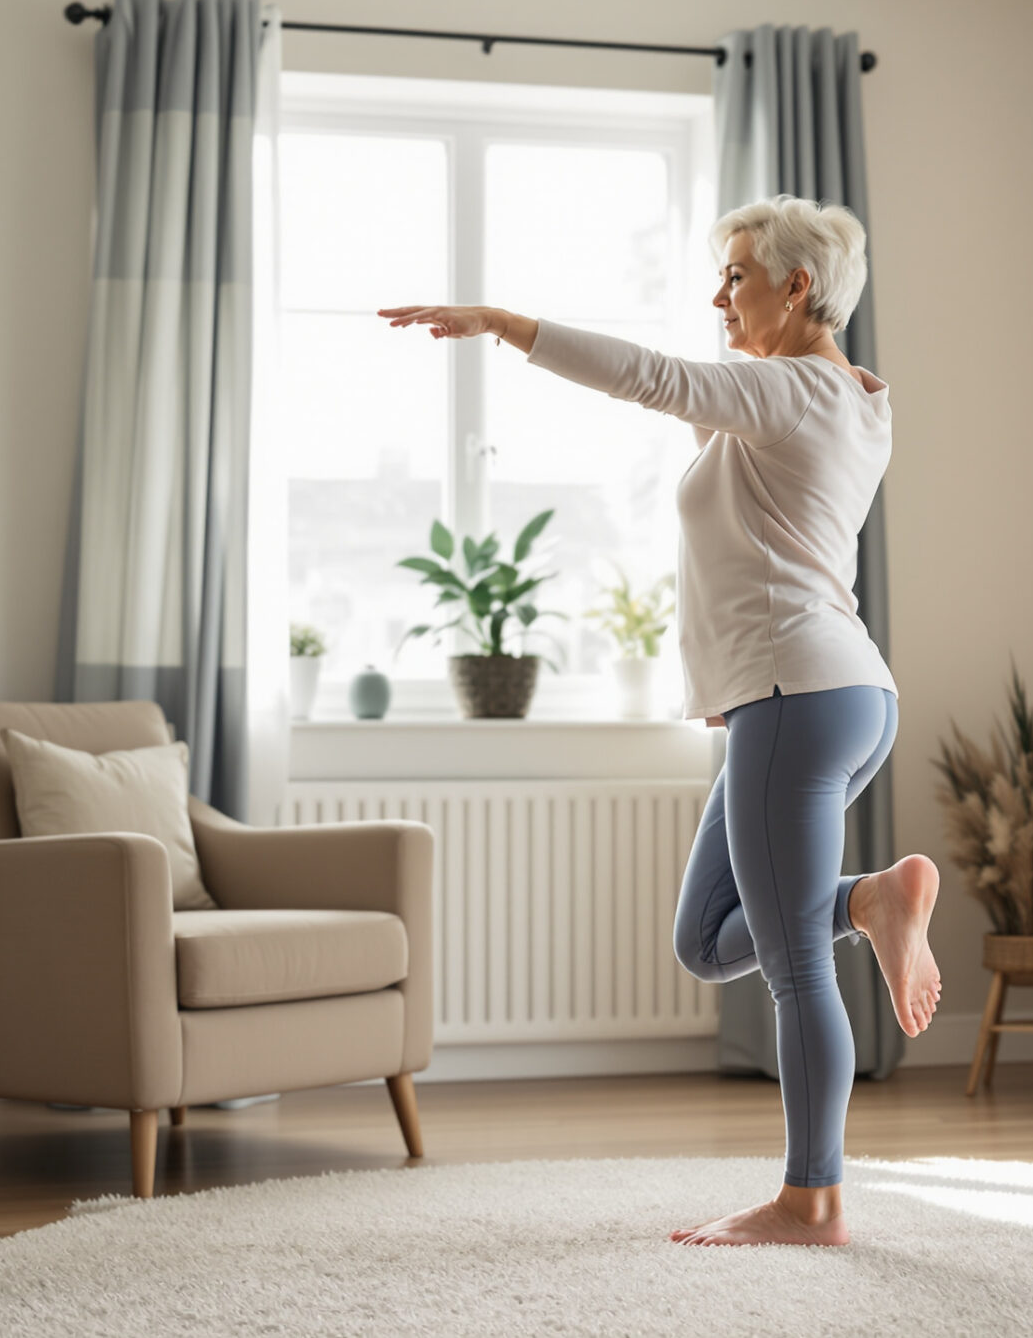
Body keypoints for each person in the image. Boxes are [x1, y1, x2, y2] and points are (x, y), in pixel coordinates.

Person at [380, 193, 940, 1250]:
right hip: (836, 698)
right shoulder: (847, 397)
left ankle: (809, 1202)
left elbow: (648, 374)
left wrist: (499, 322)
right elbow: (702, 418)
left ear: (797, 286)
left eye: (736, 274)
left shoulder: (788, 392)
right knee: (706, 940)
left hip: (797, 695)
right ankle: (870, 897)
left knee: (789, 971)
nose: (717, 294)